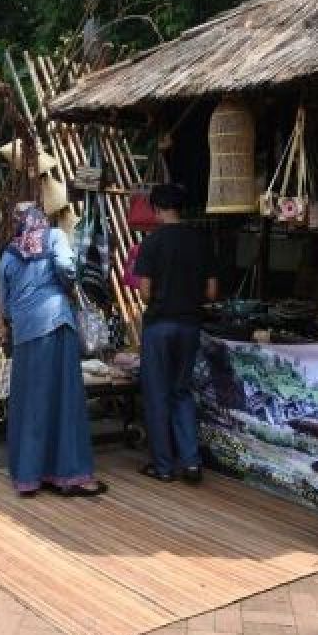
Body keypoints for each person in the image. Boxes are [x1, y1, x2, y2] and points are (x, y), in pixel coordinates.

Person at [0, 202, 105, 498]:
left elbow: (1, 298)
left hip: (24, 331)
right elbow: (67, 268)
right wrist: (69, 288)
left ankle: (29, 476)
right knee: (64, 398)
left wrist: (9, 322)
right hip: (55, 324)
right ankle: (70, 474)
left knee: (30, 400)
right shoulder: (54, 236)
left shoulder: (9, 251)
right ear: (40, 218)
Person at [133, 183, 219, 484]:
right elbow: (211, 291)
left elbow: (144, 292)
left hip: (160, 325)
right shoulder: (200, 241)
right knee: (181, 392)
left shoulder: (152, 242)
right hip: (190, 325)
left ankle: (164, 466)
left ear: (156, 209)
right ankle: (192, 461)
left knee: (157, 395)